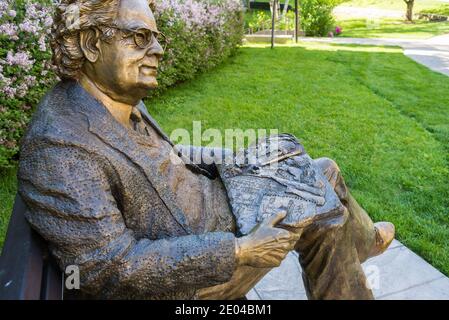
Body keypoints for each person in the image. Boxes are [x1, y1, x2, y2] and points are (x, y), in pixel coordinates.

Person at [18, 0, 394, 300]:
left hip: (207, 211)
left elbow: (168, 156)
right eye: (139, 37)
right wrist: (241, 251)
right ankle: (360, 244)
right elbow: (108, 268)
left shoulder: (113, 97)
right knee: (323, 206)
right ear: (90, 43)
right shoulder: (60, 146)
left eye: (156, 37)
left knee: (315, 169)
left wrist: (239, 159)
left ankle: (363, 241)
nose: (159, 49)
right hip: (195, 269)